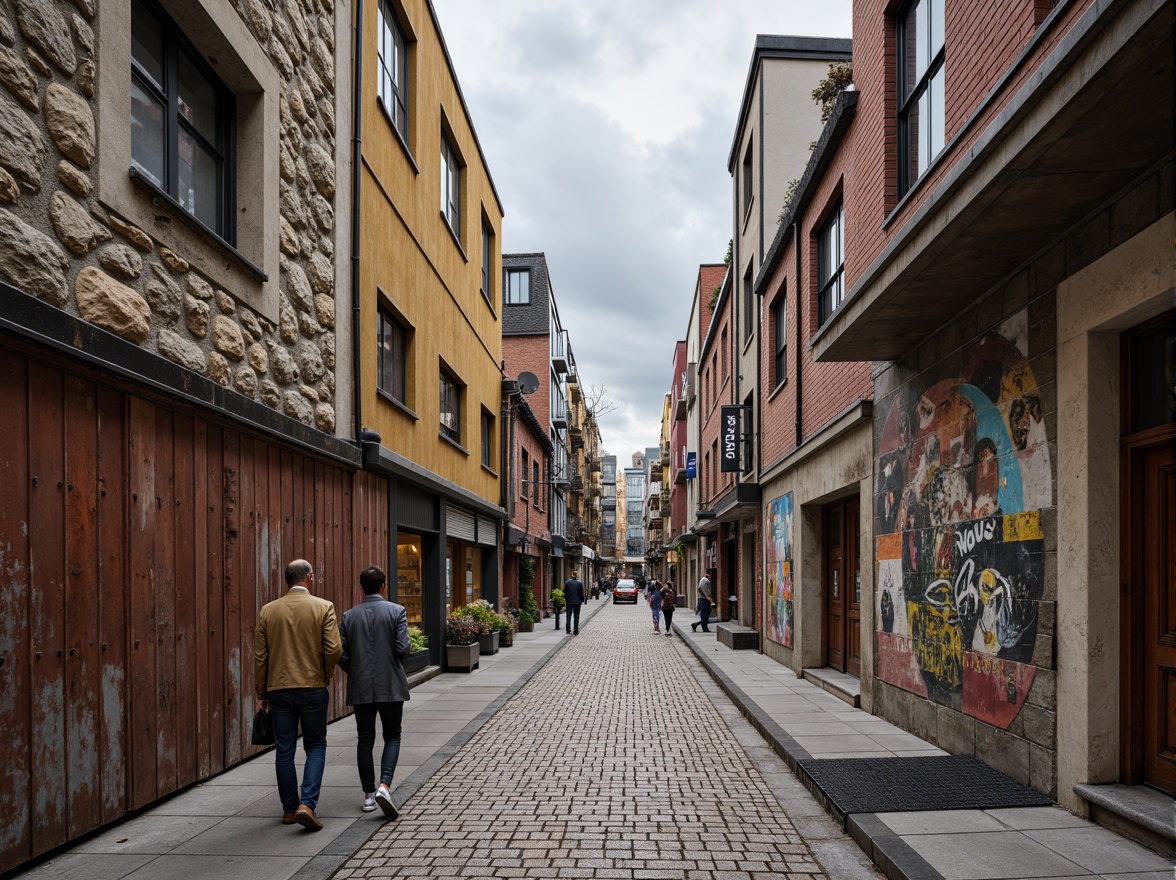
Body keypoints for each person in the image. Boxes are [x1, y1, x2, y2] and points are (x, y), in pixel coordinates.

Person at [255, 559, 342, 832]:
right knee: (315, 745)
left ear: (287, 580)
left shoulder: (268, 611)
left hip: (279, 689)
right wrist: (326, 672)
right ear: (310, 577)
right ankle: (308, 804)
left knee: (284, 749)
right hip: (313, 686)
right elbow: (334, 649)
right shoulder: (323, 607)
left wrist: (262, 691)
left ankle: (290, 810)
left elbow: (261, 657)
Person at [339, 565, 410, 820]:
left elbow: (341, 655)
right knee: (392, 735)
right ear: (383, 585)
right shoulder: (397, 611)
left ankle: (369, 796)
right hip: (390, 683)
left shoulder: (348, 616)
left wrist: (355, 669)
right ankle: (385, 785)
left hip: (361, 685)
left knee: (364, 740)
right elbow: (403, 649)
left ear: (361, 588)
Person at [564, 568, 586, 635]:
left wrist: (566, 600)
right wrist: (582, 600)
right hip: (577, 601)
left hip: (569, 601)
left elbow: (565, 593)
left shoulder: (567, 583)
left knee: (568, 615)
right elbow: (581, 594)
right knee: (576, 616)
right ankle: (576, 630)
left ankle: (568, 629)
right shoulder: (579, 584)